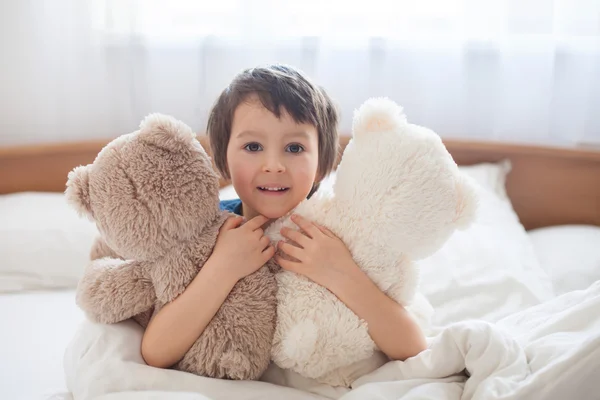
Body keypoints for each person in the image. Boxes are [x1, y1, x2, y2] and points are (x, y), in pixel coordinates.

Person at [140, 64, 428, 373]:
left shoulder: (341, 231)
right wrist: (221, 268)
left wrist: (340, 272)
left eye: (294, 147)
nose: (274, 165)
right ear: (223, 160)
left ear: (322, 165)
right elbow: (156, 351)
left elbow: (413, 346)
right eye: (253, 146)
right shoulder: (207, 232)